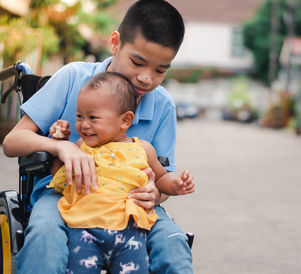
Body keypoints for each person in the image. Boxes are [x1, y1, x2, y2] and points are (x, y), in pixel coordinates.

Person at [2, 0, 193, 273]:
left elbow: (163, 180)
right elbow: (12, 142)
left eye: (160, 70)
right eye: (137, 62)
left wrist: (156, 193)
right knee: (45, 236)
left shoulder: (162, 105)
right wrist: (63, 148)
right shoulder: (73, 78)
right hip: (65, 194)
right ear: (115, 43)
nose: (146, 78)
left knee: (174, 244)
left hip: (130, 200)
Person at [48, 71, 194, 273]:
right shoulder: (81, 147)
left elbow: (160, 177)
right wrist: (60, 145)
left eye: (93, 117)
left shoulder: (142, 149)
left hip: (131, 232)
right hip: (84, 229)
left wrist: (176, 185)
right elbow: (59, 177)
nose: (83, 124)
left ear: (126, 120)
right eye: (79, 116)